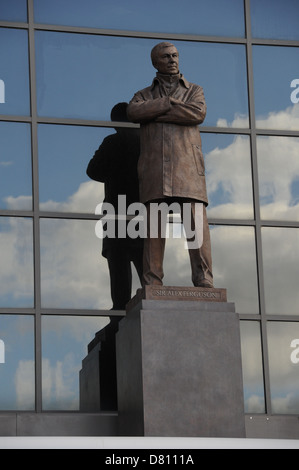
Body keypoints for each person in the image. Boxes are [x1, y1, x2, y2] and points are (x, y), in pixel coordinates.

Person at [127, 42, 213, 288]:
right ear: (156, 62)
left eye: (175, 55)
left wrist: (153, 113)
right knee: (154, 226)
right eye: (166, 56)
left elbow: (197, 114)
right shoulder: (143, 94)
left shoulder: (195, 90)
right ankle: (152, 280)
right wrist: (167, 104)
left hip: (188, 169)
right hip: (155, 170)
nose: (172, 59)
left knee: (196, 224)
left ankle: (203, 277)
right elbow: (134, 112)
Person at [86, 102, 143, 313]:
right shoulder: (144, 142)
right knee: (145, 263)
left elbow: (92, 170)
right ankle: (154, 302)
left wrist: (112, 173)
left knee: (119, 265)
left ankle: (119, 312)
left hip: (117, 211)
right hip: (141, 212)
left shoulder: (112, 142)